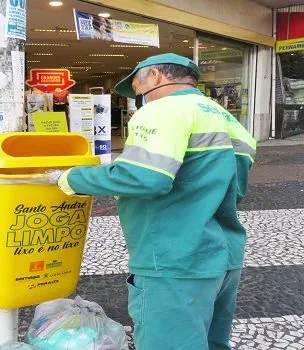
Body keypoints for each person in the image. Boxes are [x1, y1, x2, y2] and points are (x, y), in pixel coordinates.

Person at [48, 53, 256, 349]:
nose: (138, 98)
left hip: (174, 260)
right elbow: (235, 190)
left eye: (136, 88)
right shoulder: (227, 119)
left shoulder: (164, 109)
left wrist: (70, 179)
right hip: (224, 258)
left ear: (156, 76)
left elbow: (146, 177)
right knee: (212, 343)